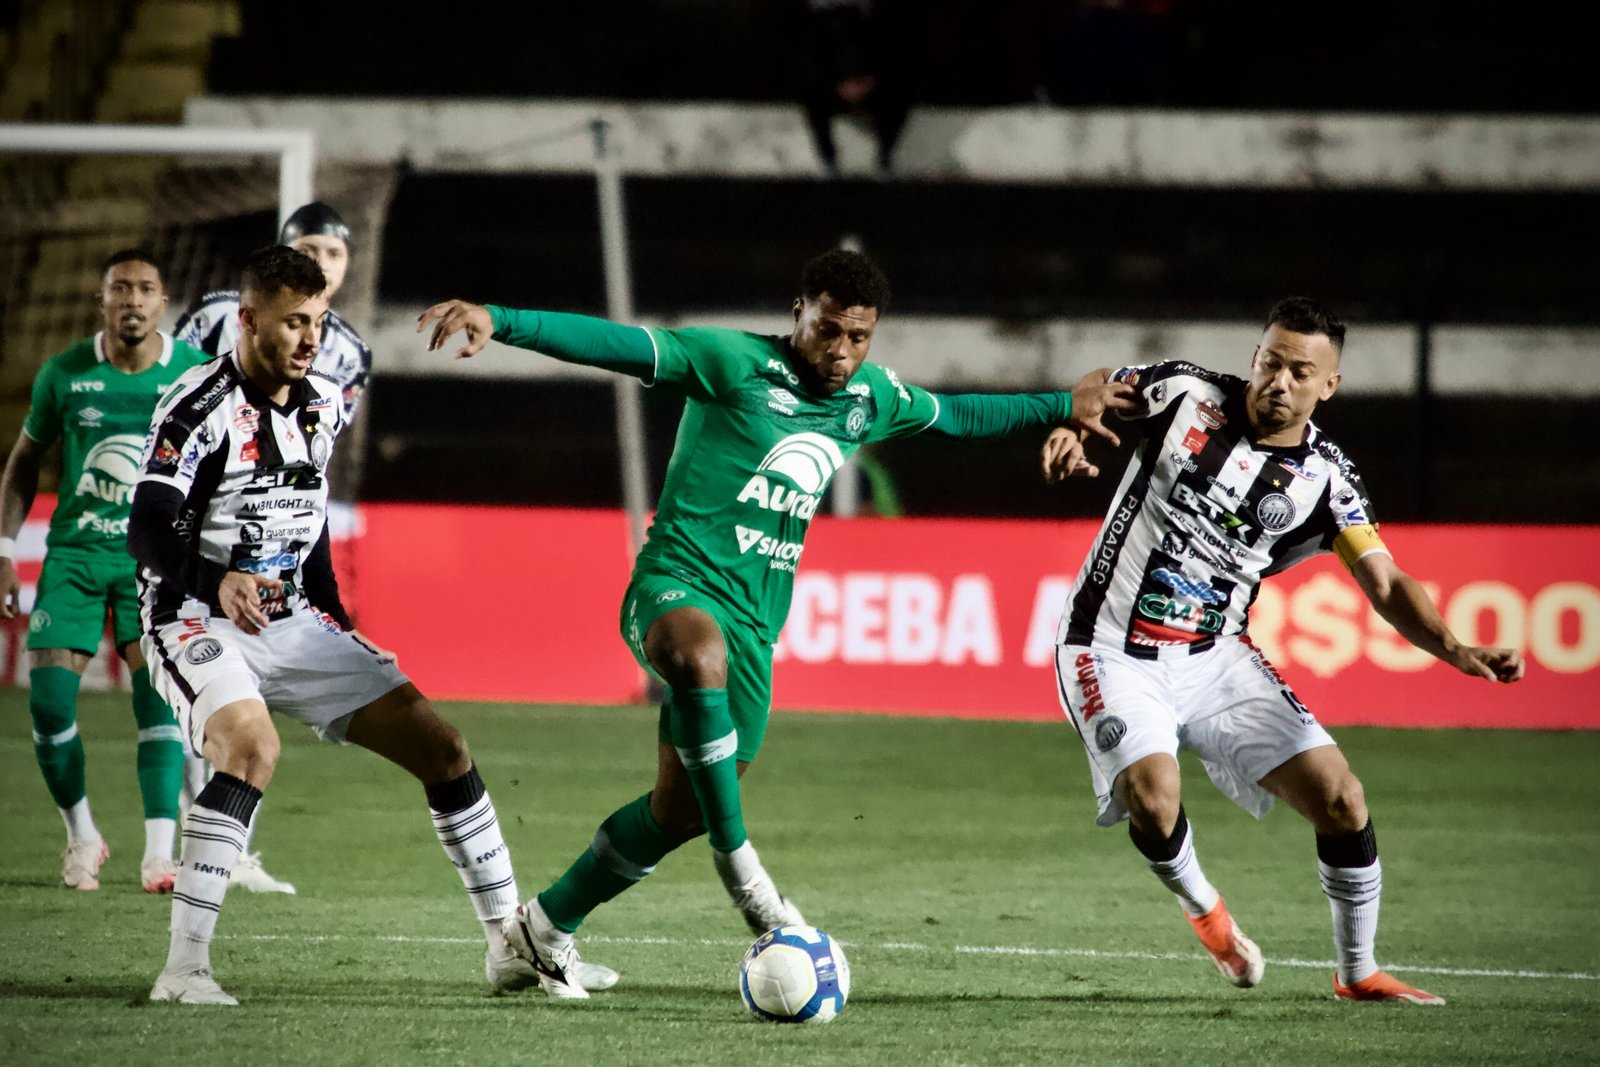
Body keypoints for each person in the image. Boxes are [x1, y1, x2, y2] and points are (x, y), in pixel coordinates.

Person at [418, 247, 1136, 997]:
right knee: (696, 659)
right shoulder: (729, 361)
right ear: (799, 313)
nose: (842, 350)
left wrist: (1062, 405)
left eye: (860, 336)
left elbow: (956, 414)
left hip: (756, 629)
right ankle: (750, 884)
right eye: (829, 330)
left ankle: (536, 934)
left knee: (677, 812)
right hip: (673, 586)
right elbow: (619, 344)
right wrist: (500, 319)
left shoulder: (868, 397)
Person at [130, 246, 615, 1005]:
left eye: (318, 321)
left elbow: (309, 526)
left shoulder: (324, 401)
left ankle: (507, 946)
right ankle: (183, 969)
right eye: (293, 322)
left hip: (290, 617)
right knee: (252, 746)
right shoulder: (196, 407)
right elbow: (149, 527)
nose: (310, 337)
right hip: (193, 612)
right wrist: (214, 580)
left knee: (443, 746)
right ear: (249, 320)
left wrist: (339, 626)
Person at [1041, 297, 1524, 1005]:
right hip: (1108, 644)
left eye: (1302, 371)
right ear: (1254, 357)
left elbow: (1383, 580)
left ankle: (1357, 971)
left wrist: (1453, 646)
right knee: (1152, 794)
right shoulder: (1182, 395)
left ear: (1328, 386)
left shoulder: (1328, 478)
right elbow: (1095, 387)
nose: (1280, 381)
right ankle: (1207, 911)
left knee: (1342, 797)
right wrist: (1069, 427)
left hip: (1215, 658)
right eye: (1271, 361)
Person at [172, 201, 373, 894]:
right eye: (310, 247)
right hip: (196, 536)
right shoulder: (216, 318)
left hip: (276, 545)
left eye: (336, 253)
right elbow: (184, 414)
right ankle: (173, 849)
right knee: (212, 712)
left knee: (245, 724)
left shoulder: (348, 353)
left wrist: (329, 604)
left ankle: (220, 851)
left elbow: (312, 467)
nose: (323, 262)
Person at [0, 249, 210, 894]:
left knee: (159, 704)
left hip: (154, 561)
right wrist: (3, 547)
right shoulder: (65, 373)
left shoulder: (195, 373)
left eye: (146, 288)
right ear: (103, 300)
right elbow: (23, 462)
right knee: (50, 703)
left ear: (163, 301)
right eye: (120, 288)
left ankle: (158, 855)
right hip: (75, 556)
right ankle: (82, 837)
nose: (133, 300)